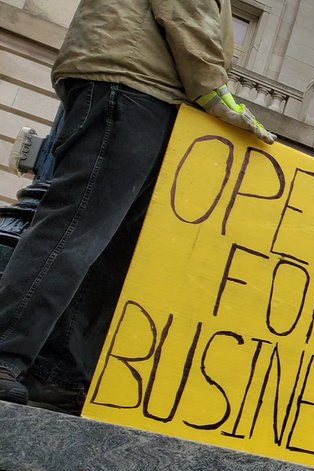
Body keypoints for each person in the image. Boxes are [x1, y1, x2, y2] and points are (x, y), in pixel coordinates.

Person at [0, 0, 274, 413]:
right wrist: (211, 88)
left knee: (107, 245)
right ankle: (7, 353)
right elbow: (186, 9)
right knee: (76, 228)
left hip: (142, 84)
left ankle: (55, 375)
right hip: (131, 81)